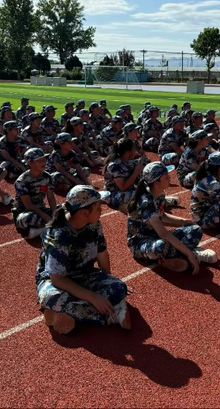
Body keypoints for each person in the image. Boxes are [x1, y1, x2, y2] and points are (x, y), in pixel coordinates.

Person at [36, 185, 130, 335]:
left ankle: (69, 314)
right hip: (57, 281)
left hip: (85, 274)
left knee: (119, 287)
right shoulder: (58, 235)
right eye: (98, 208)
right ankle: (110, 315)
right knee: (51, 298)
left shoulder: (94, 225)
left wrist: (108, 279)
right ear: (85, 213)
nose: (101, 211)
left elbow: (102, 254)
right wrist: (93, 297)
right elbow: (57, 279)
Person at [127, 161, 217, 274]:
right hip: (140, 243)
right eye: (166, 177)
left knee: (195, 229)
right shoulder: (145, 202)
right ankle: (191, 254)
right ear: (156, 183)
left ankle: (174, 257)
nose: (170, 178)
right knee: (161, 246)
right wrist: (189, 254)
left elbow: (162, 216)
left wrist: (184, 222)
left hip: (155, 236)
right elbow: (163, 234)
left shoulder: (159, 193)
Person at [12, 148, 56, 239]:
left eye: (44, 159)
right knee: (29, 218)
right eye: (39, 160)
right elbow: (28, 205)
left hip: (41, 208)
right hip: (25, 212)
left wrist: (55, 213)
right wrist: (47, 217)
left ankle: (42, 229)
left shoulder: (47, 177)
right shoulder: (21, 181)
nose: (43, 162)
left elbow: (50, 197)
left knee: (64, 209)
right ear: (30, 163)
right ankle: (50, 227)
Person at [103, 139, 145, 213]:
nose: (136, 151)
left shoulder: (128, 162)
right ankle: (126, 208)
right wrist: (136, 172)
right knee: (139, 195)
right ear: (129, 152)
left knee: (148, 190)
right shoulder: (115, 165)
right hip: (113, 194)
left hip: (127, 190)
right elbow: (123, 187)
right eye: (134, 149)